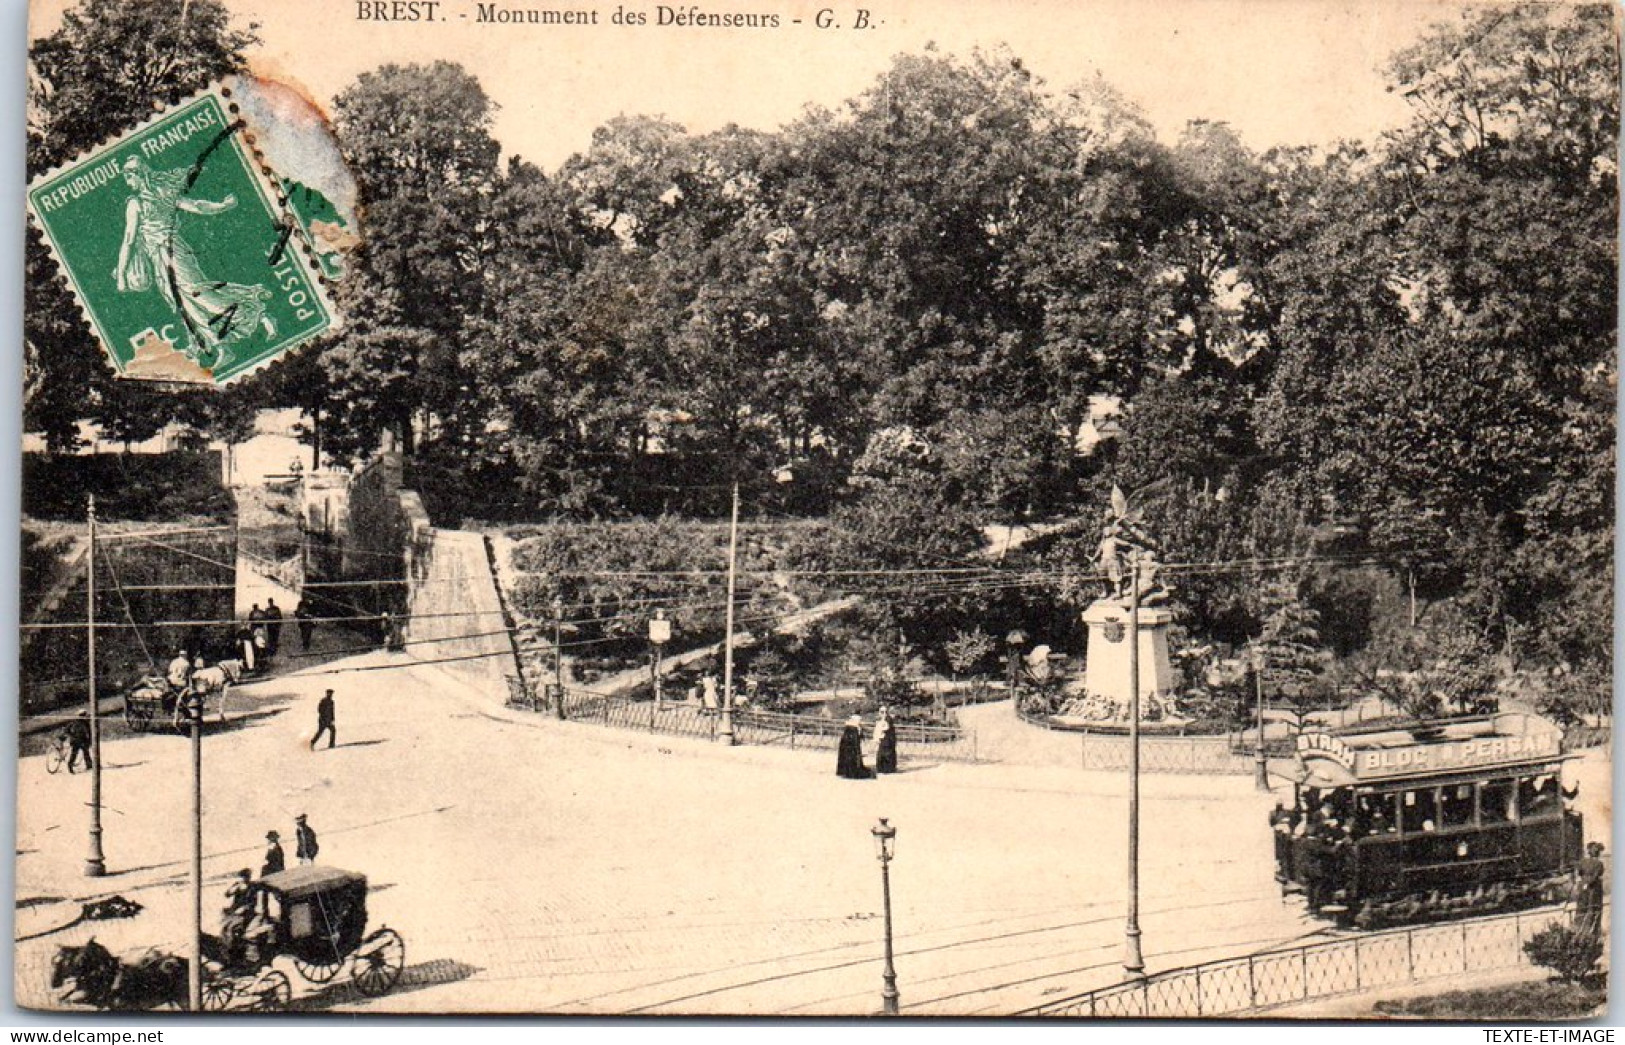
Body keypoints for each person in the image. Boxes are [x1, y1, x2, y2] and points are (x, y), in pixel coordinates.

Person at [113, 155, 274, 370]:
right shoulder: (158, 195)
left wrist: (122, 275)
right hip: (160, 259)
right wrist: (223, 206)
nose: (127, 181)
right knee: (183, 304)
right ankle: (221, 347)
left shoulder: (139, 202)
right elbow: (198, 206)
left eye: (128, 176)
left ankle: (258, 314)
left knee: (201, 295)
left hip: (173, 255)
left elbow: (129, 239)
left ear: (138, 175)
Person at [1575, 842, 1606, 937]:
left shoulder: (1582, 861)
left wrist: (1582, 883)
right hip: (1594, 888)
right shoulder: (1599, 863)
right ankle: (1593, 932)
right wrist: (1588, 883)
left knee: (1581, 908)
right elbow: (1596, 876)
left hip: (1583, 887)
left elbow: (1578, 873)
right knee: (1594, 908)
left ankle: (1579, 930)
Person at [836, 715, 871, 779]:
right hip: (852, 747)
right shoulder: (854, 728)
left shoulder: (848, 727)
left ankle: (844, 771)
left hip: (846, 746)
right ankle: (851, 772)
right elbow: (856, 739)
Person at [874, 707, 898, 774]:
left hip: (888, 739)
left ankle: (887, 769)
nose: (883, 714)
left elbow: (886, 728)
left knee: (886, 753)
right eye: (882, 712)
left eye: (885, 712)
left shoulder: (888, 719)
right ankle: (883, 768)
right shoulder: (884, 719)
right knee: (883, 753)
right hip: (886, 739)